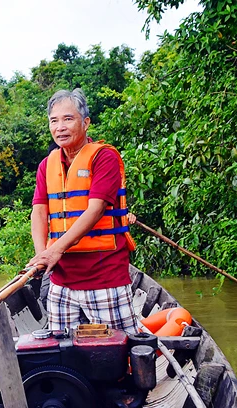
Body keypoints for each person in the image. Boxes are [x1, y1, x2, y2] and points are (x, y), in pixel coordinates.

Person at [27, 89, 138, 334]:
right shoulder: (47, 166)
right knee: (63, 354)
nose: (60, 127)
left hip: (104, 279)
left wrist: (55, 250)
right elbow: (39, 213)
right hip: (62, 282)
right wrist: (42, 256)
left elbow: (96, 210)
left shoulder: (104, 158)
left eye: (68, 119)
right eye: (53, 121)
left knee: (120, 352)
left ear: (85, 123)